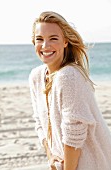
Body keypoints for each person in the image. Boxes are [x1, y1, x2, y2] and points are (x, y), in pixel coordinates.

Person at [29, 11, 111, 170]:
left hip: (94, 163)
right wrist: (51, 155)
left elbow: (74, 133)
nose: (45, 46)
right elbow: (39, 122)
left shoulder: (69, 77)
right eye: (39, 39)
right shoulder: (36, 77)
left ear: (65, 41)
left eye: (53, 38)